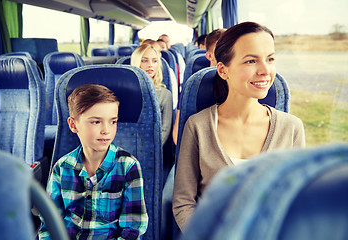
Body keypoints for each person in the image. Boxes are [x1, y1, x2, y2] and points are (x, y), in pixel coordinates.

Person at [173, 22, 305, 231]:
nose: (265, 70)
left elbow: (296, 204)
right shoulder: (197, 127)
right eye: (251, 61)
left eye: (270, 59)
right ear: (223, 70)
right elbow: (184, 203)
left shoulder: (291, 128)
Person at [39, 84, 148, 240]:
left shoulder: (128, 166)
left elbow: (133, 229)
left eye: (113, 122)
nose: (106, 130)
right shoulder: (62, 167)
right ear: (73, 124)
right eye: (96, 122)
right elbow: (50, 224)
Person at [131, 44, 173, 145]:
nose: (150, 65)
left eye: (155, 61)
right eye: (144, 61)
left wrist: (150, 148)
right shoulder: (127, 93)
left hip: (152, 148)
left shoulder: (165, 95)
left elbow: (165, 129)